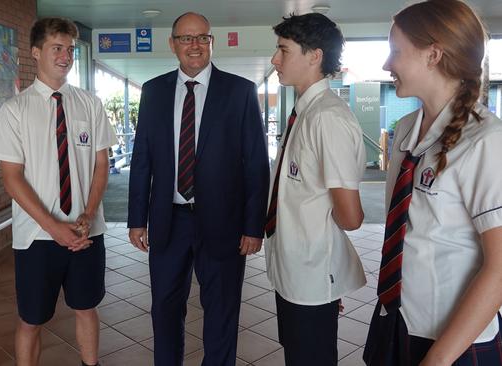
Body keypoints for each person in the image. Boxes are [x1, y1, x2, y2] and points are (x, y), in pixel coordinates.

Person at [127, 11, 270, 366]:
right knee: (164, 307)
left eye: (201, 38)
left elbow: (255, 163)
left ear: (212, 42)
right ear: (172, 44)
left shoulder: (240, 92)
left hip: (223, 222)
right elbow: (142, 158)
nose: (194, 45)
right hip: (168, 220)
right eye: (186, 38)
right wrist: (136, 219)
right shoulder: (154, 91)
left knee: (221, 311)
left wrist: (254, 227)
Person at [364, 1, 502, 365]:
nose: (386, 65)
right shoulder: (407, 128)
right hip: (397, 320)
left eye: (395, 51)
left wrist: (438, 359)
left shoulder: (486, 141)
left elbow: (500, 268)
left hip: (452, 343)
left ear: (433, 55)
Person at [0, 18, 116, 366]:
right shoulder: (15, 110)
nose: (65, 56)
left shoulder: (89, 103)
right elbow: (12, 178)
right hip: (36, 237)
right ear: (35, 53)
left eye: (70, 50)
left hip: (86, 231)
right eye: (57, 48)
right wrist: (53, 226)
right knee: (31, 319)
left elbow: (101, 165)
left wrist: (87, 214)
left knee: (86, 308)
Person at [264, 13, 366, 366]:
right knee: (298, 353)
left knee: (312, 357)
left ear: (314, 55)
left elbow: (350, 216)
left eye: (283, 50)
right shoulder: (305, 113)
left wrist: (323, 252)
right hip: (293, 267)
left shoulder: (326, 117)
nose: (275, 60)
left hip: (310, 269)